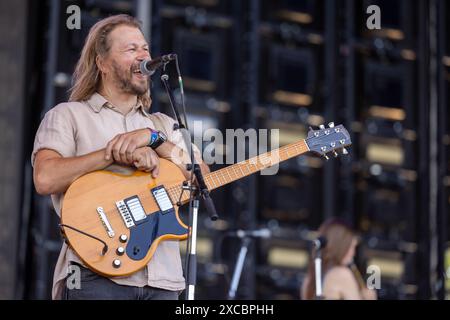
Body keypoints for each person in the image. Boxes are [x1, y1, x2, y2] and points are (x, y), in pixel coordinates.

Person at [32, 14, 209, 300]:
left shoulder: (164, 124)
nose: (143, 56)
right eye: (131, 49)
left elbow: (203, 178)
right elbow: (45, 178)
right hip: (94, 274)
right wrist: (111, 154)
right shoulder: (68, 115)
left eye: (145, 49)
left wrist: (154, 141)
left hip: (163, 281)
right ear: (101, 63)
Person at [301, 219, 377, 300]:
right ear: (341, 247)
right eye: (352, 247)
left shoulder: (310, 278)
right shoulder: (342, 274)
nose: (353, 253)